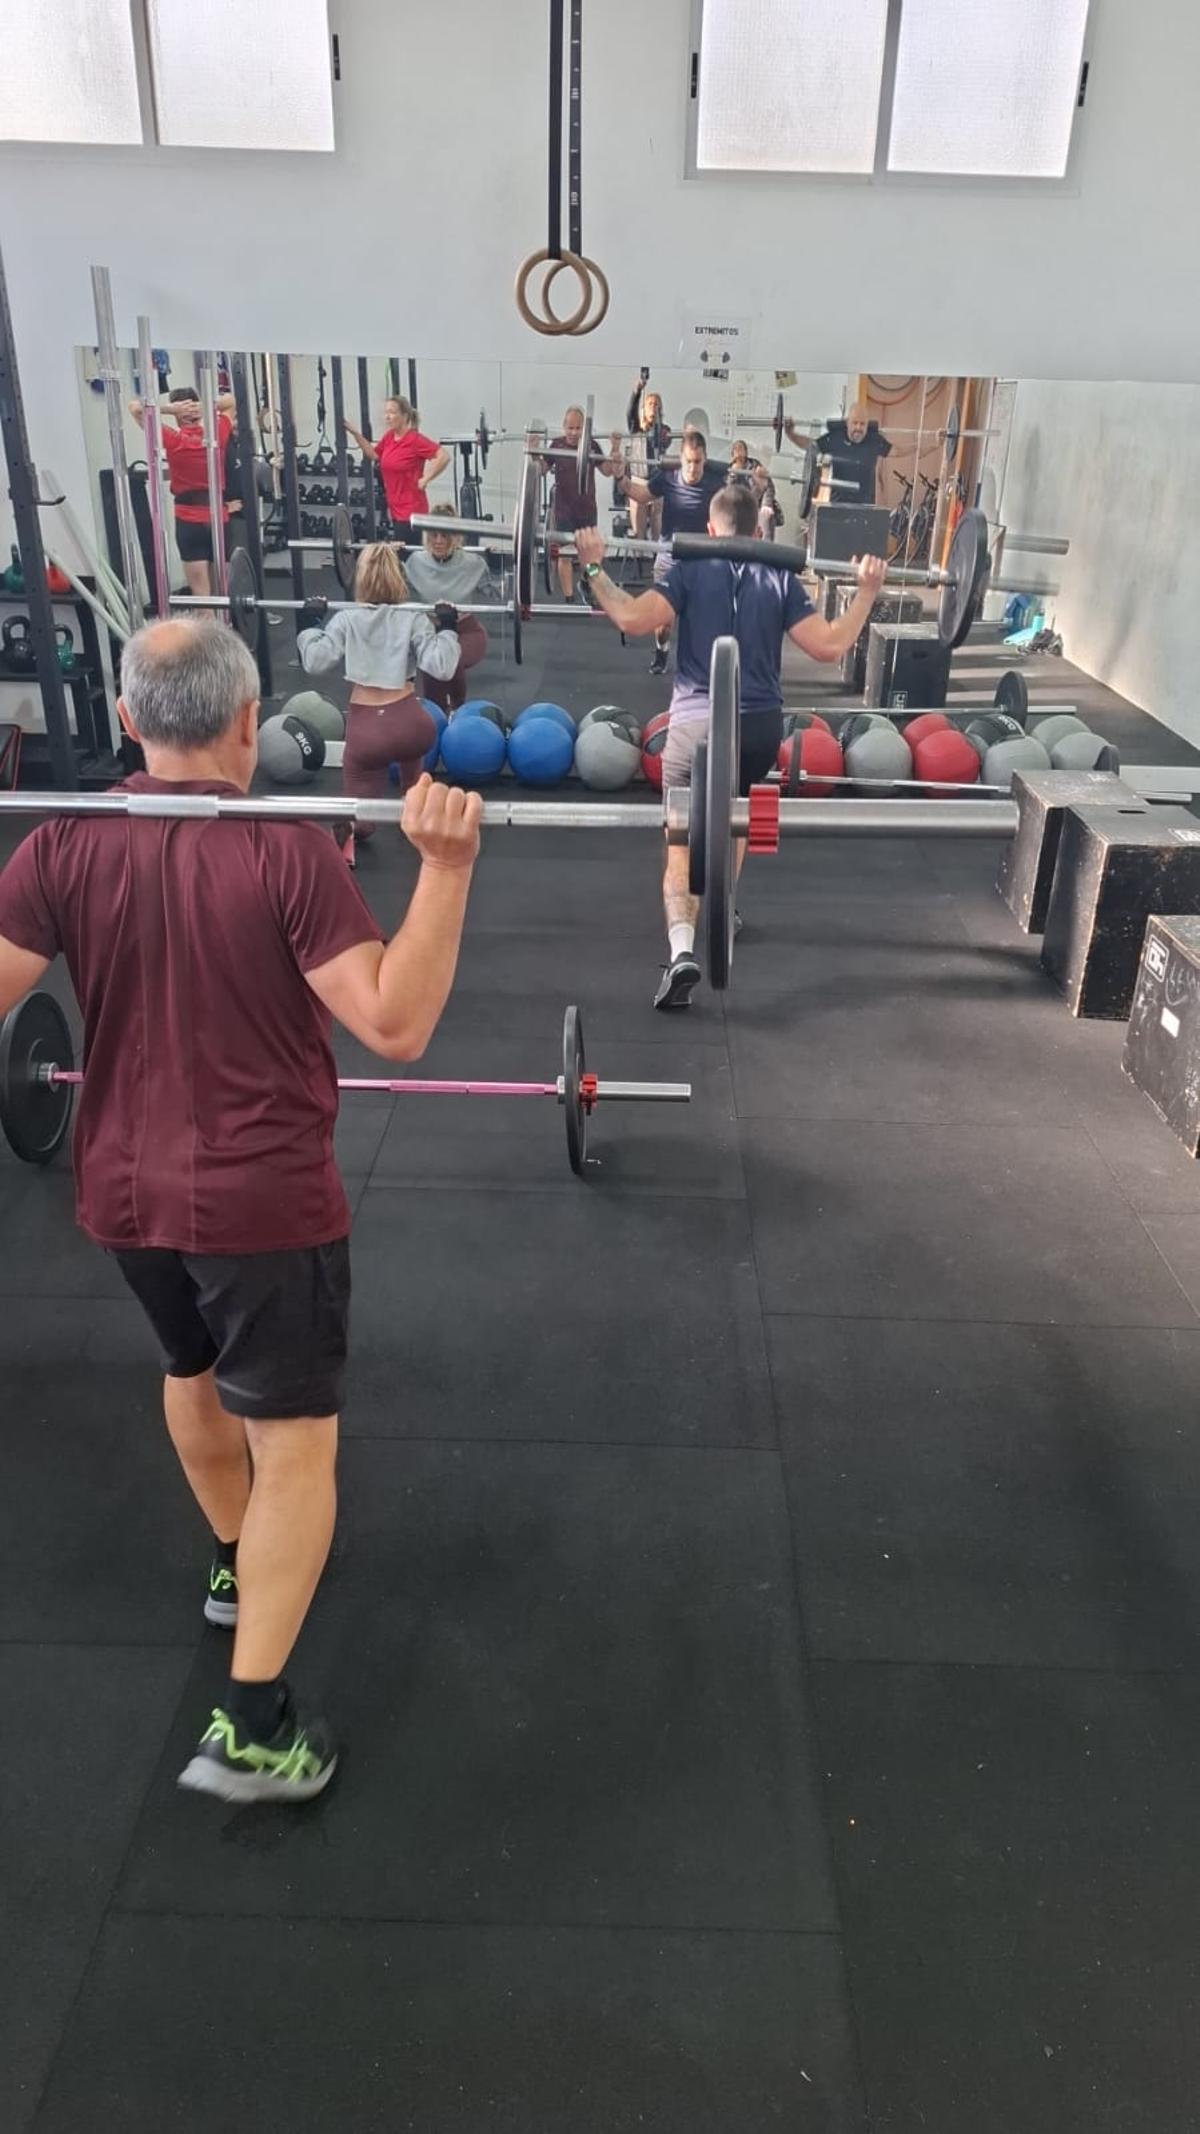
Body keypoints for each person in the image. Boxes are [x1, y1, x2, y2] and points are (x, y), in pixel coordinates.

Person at [0, 619, 482, 1804]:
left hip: (119, 1194)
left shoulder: (62, 843)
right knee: (297, 1442)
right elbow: (396, 1025)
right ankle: (255, 1724)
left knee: (192, 1364)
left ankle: (232, 1561)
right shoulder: (283, 849)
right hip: (261, 1201)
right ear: (248, 723)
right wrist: (448, 871)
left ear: (126, 722)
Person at [576, 487, 888, 1009]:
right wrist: (866, 593)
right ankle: (723, 901)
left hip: (695, 728)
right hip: (760, 732)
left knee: (681, 840)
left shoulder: (689, 569)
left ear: (710, 528)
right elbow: (830, 645)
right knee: (737, 807)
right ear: (759, 532)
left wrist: (591, 569)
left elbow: (632, 619)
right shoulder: (779, 575)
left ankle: (682, 952)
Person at [297, 542, 459, 864]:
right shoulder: (413, 617)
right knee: (412, 772)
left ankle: (352, 828)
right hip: (412, 724)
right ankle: (415, 812)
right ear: (398, 577)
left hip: (367, 730)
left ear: (361, 578)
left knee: (361, 815)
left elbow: (315, 662)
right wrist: (449, 628)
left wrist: (308, 625)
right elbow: (442, 666)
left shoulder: (347, 618)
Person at [614, 427, 727, 675]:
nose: (693, 468)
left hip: (702, 559)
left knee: (700, 620)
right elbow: (641, 495)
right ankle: (662, 651)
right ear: (680, 457)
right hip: (668, 555)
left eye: (698, 462)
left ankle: (699, 664)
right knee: (663, 621)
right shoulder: (668, 477)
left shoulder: (716, 482)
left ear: (705, 459)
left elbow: (736, 509)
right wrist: (621, 478)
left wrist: (759, 489)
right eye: (688, 461)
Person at [129, 386, 236, 599]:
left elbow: (135, 408)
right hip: (218, 520)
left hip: (189, 523)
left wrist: (170, 409)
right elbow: (232, 401)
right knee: (223, 595)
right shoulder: (219, 433)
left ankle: (206, 633)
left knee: (201, 595)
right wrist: (204, 406)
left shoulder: (172, 439)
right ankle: (224, 632)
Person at [401, 505, 493, 713]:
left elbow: (497, 591)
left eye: (446, 535)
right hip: (431, 632)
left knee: (450, 658)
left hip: (467, 631)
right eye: (434, 535)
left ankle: (459, 711)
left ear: (457, 537)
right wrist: (393, 560)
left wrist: (498, 566)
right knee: (434, 666)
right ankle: (436, 716)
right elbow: (391, 589)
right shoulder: (415, 561)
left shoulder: (472, 562)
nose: (439, 541)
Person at [535, 406, 618, 603]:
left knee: (589, 557)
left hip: (587, 510)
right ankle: (569, 598)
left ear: (585, 429)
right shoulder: (556, 445)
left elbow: (608, 471)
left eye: (578, 428)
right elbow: (540, 469)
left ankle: (585, 582)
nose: (574, 432)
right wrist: (534, 451)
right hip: (564, 511)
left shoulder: (592, 446)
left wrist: (614, 447)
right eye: (570, 427)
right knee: (564, 555)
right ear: (564, 427)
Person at [341, 397, 449, 542]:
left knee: (406, 556)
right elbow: (373, 454)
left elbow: (443, 456)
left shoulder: (414, 440)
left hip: (411, 509)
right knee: (401, 556)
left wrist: (426, 478)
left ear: (404, 416)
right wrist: (355, 433)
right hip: (395, 507)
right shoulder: (389, 437)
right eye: (386, 412)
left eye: (392, 412)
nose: (387, 417)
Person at [785, 402, 892, 506]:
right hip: (838, 505)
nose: (858, 428)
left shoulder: (874, 440)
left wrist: (909, 446)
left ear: (867, 425)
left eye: (862, 424)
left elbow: (895, 451)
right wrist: (791, 435)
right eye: (855, 423)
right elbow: (811, 446)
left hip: (865, 507)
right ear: (847, 423)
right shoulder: (835, 438)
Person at [623, 378, 672, 545]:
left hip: (657, 479)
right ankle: (639, 562)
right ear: (643, 409)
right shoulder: (636, 428)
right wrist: (636, 392)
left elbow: (663, 442)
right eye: (650, 404)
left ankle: (656, 559)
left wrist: (656, 420)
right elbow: (630, 413)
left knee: (658, 523)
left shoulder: (665, 430)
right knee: (639, 529)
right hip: (638, 480)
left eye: (656, 404)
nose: (653, 406)